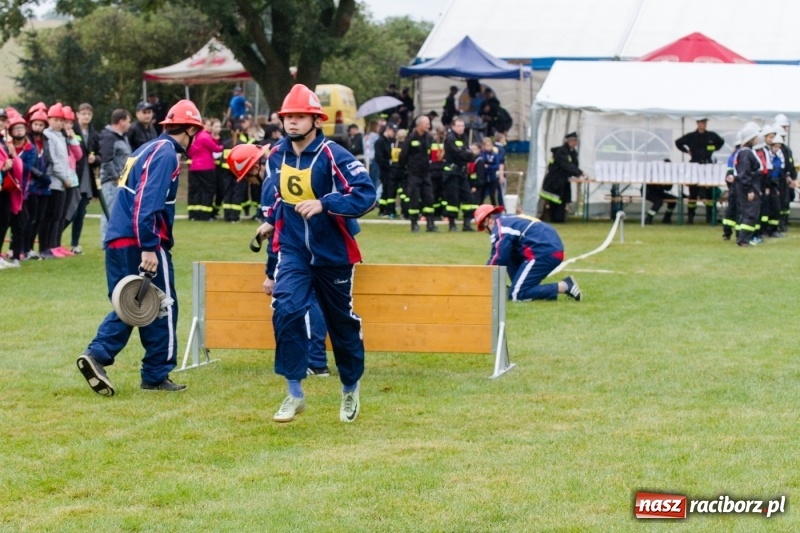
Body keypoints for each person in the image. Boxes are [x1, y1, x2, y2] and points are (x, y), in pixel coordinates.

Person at [256, 84, 376, 423]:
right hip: (293, 250)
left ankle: (350, 387)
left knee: (340, 324)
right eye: (287, 117)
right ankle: (294, 392)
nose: (292, 122)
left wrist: (325, 204)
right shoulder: (276, 155)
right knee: (285, 310)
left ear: (315, 120)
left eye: (299, 116)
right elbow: (281, 197)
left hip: (333, 253)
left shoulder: (333, 153)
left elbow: (366, 195)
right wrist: (270, 221)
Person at [76, 99, 205, 396]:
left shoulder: (145, 149)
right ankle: (156, 375)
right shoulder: (166, 154)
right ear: (190, 129)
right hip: (141, 240)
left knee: (132, 304)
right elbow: (147, 202)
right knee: (162, 305)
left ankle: (97, 356)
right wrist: (149, 246)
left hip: (118, 239)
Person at [226, 143, 331, 376]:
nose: (248, 183)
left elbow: (275, 234)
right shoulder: (285, 171)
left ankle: (315, 361)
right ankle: (316, 360)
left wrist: (271, 273)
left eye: (246, 177)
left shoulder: (268, 187)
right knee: (318, 300)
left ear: (254, 168)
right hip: (323, 240)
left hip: (302, 246)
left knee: (305, 301)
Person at [474, 204, 582, 302]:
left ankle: (565, 286)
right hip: (547, 247)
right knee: (510, 254)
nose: (484, 231)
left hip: (543, 251)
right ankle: (524, 288)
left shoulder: (500, 228)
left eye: (483, 227)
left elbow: (498, 258)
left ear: (487, 220)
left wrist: (482, 277)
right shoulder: (508, 220)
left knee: (516, 294)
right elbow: (505, 256)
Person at [675, 117, 725, 224]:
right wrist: (686, 150)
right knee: (693, 192)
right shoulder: (691, 136)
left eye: (705, 122)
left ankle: (710, 217)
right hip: (695, 165)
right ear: (697, 123)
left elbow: (721, 142)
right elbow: (678, 142)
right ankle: (690, 217)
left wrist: (712, 149)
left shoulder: (711, 135)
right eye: (702, 122)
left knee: (709, 192)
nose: (704, 124)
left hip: (707, 165)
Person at [68, 103, 100, 254]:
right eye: (83, 113)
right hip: (74, 176)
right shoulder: (71, 131)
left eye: (89, 114)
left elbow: (101, 154)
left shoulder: (94, 134)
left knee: (81, 212)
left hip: (88, 178)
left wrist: (96, 159)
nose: (86, 116)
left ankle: (75, 244)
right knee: (69, 212)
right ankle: (52, 243)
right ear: (77, 114)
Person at [97, 109, 132, 244]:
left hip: (121, 182)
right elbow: (106, 160)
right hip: (111, 183)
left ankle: (115, 239)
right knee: (109, 212)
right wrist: (116, 178)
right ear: (121, 122)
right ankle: (106, 241)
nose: (130, 124)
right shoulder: (108, 137)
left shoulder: (122, 137)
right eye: (129, 121)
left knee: (118, 212)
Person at [399, 115, 436, 232]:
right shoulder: (411, 138)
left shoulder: (429, 138)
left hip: (426, 174)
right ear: (419, 125)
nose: (429, 126)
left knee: (429, 198)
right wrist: (404, 172)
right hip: (413, 174)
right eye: (426, 124)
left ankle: (430, 224)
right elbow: (403, 156)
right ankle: (414, 224)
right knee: (414, 200)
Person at [540, 132, 585, 223]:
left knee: (563, 200)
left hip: (563, 180)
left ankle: (560, 218)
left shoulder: (572, 152)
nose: (575, 143)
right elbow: (566, 165)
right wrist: (579, 172)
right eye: (574, 141)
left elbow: (573, 165)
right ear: (569, 141)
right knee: (556, 200)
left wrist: (578, 173)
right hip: (554, 180)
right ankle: (555, 218)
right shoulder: (561, 151)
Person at [187, 117, 224, 221]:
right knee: (207, 190)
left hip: (194, 167)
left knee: (196, 190)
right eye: (208, 125)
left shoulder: (195, 136)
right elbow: (215, 148)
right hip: (206, 167)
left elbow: (190, 152)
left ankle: (193, 214)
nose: (209, 127)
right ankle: (205, 215)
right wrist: (223, 146)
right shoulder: (205, 136)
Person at [442, 118, 476, 231]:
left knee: (468, 198)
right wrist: (468, 153)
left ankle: (467, 224)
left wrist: (468, 153)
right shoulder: (450, 138)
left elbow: (468, 153)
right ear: (453, 127)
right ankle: (452, 224)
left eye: (462, 126)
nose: (461, 128)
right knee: (453, 200)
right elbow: (459, 154)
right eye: (459, 126)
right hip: (452, 173)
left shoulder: (464, 138)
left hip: (462, 173)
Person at [733, 123, 762, 247]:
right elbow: (745, 173)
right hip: (748, 187)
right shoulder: (746, 154)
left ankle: (743, 238)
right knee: (750, 213)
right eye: (755, 137)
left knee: (746, 213)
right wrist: (749, 190)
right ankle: (743, 240)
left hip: (747, 186)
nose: (757, 139)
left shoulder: (745, 152)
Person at [773, 114, 796, 232]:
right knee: (779, 203)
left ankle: (783, 223)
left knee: (786, 202)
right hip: (778, 181)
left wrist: (792, 177)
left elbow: (789, 165)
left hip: (786, 181)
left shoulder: (786, 149)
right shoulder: (775, 150)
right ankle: (778, 224)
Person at [644, 159, 678, 225]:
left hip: (658, 192)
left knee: (673, 200)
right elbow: (649, 184)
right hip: (649, 192)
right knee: (658, 202)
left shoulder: (669, 174)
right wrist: (660, 184)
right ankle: (648, 218)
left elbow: (668, 188)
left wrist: (666, 184)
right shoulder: (655, 172)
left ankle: (666, 218)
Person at [375, 122, 398, 217]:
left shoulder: (391, 141)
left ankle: (387, 209)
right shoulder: (380, 141)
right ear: (388, 129)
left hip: (391, 169)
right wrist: (387, 164)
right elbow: (379, 157)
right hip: (384, 169)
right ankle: (383, 209)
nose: (394, 133)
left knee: (389, 190)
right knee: (386, 189)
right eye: (393, 131)